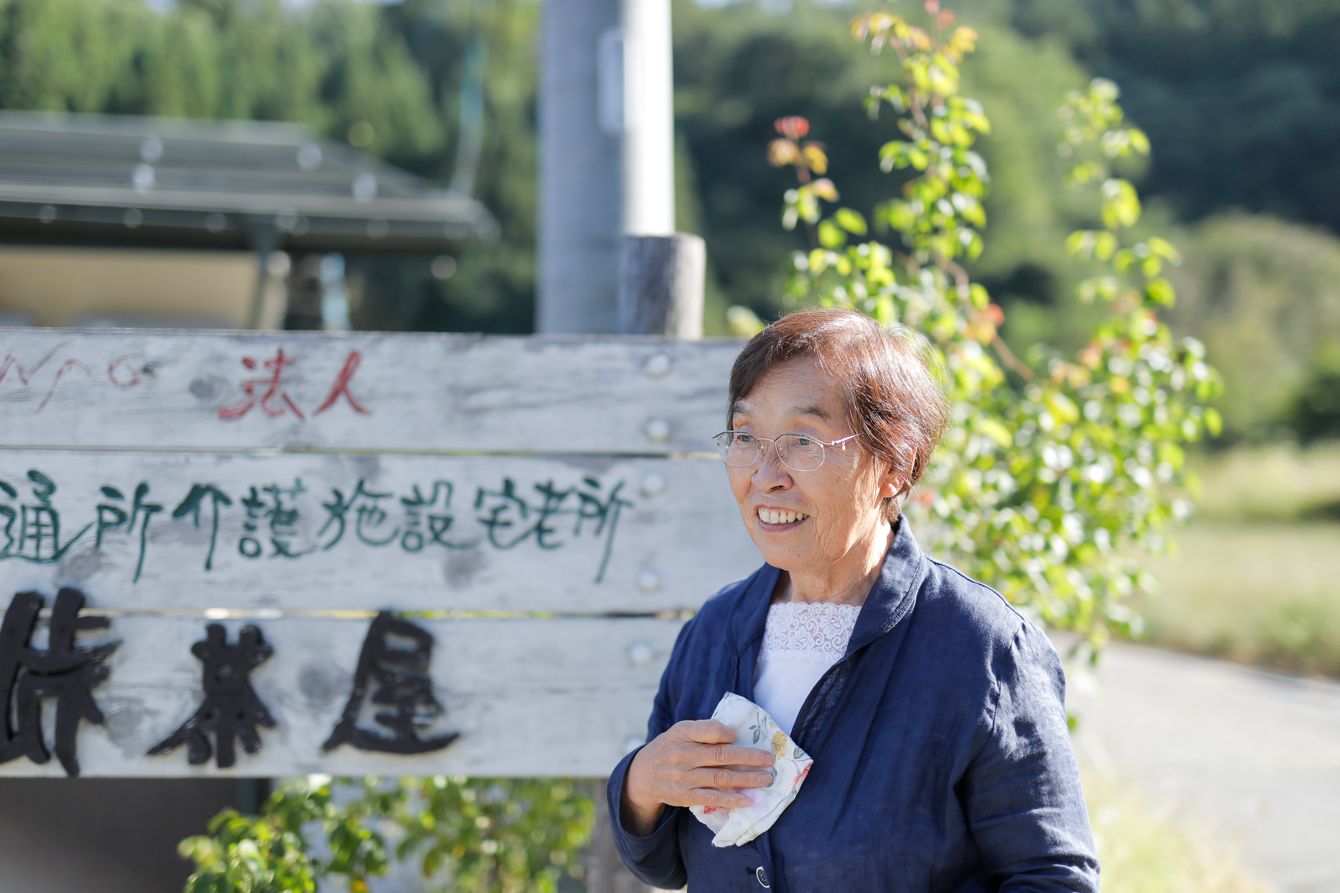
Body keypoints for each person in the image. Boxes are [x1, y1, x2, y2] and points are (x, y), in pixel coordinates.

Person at [607, 307, 1100, 891]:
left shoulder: (980, 646)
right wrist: (641, 783)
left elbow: (1053, 877)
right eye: (745, 437)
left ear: (894, 464)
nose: (765, 475)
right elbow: (665, 861)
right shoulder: (715, 630)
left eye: (802, 441)